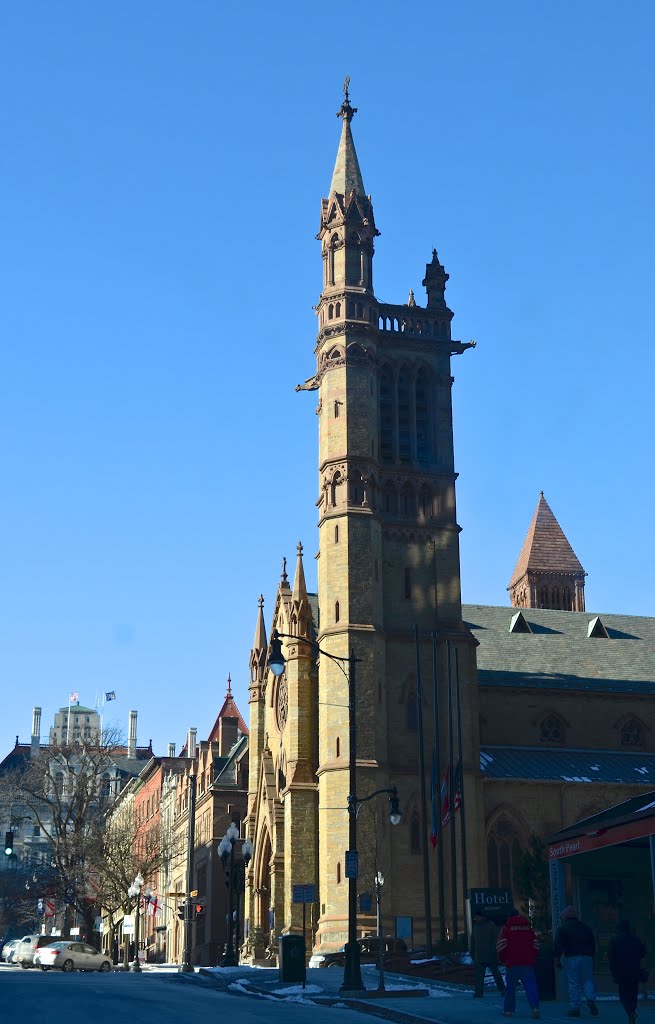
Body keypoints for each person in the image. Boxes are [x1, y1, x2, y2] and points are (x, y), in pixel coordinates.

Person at [554, 906, 599, 1017]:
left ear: (565, 917)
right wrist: (592, 957)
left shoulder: (562, 928)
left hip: (572, 957)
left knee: (574, 982)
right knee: (588, 979)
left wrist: (557, 960)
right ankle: (590, 999)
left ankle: (575, 1007)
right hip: (587, 957)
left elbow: (558, 946)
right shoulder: (585, 927)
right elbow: (593, 944)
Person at [496, 907, 541, 1019]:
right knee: (531, 986)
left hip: (512, 963)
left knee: (510, 988)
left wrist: (504, 960)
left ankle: (508, 1010)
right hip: (527, 963)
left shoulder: (506, 929)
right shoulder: (529, 929)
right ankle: (535, 1008)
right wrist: (532, 957)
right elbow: (536, 945)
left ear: (509, 917)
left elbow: (501, 946)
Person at [608, 920, 646, 1024]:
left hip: (621, 972)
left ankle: (630, 1012)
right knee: (633, 993)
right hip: (635, 971)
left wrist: (613, 971)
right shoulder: (636, 940)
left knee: (623, 995)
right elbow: (643, 953)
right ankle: (632, 1011)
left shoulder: (615, 940)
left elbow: (611, 958)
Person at [470, 911, 506, 998]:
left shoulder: (490, 926)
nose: (476, 919)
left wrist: (494, 952)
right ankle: (479, 992)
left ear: (482, 917)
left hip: (490, 954)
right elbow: (473, 941)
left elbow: (496, 939)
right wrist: (472, 952)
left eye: (477, 917)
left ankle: (502, 990)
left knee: (496, 974)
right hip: (479, 954)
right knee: (480, 976)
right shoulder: (476, 927)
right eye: (475, 917)